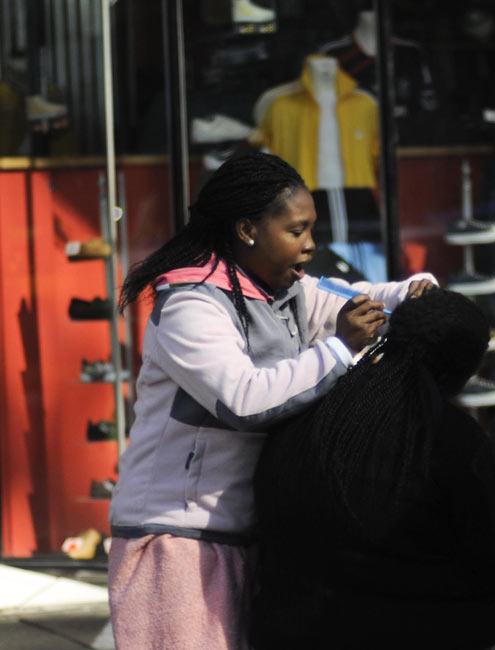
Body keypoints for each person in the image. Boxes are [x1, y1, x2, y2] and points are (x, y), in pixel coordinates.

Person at [107, 151, 435, 649]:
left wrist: (420, 293)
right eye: (296, 231)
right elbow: (244, 400)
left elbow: (368, 297)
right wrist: (339, 347)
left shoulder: (290, 290)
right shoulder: (190, 303)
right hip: (175, 538)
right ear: (247, 230)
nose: (311, 245)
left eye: (311, 230)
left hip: (245, 534)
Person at [251, 289, 495, 650]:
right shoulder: (447, 440)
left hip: (291, 633)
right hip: (408, 632)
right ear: (467, 368)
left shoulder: (313, 414)